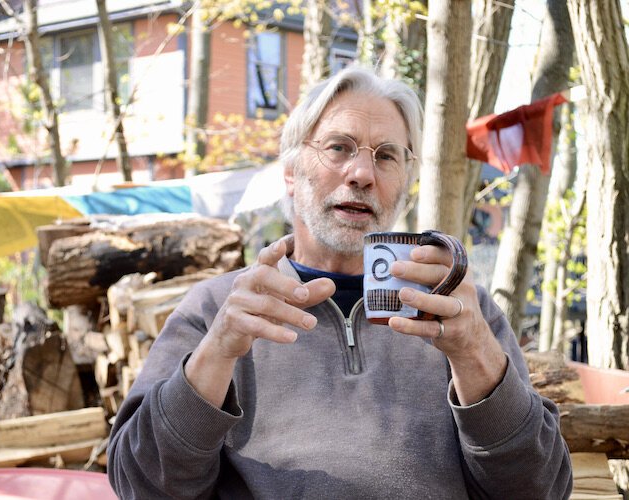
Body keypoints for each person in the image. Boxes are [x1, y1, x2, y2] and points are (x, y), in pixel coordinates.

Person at [107, 66, 573, 499]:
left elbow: (542, 488)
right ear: (290, 173)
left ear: (404, 183)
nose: (362, 174)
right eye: (338, 148)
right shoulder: (220, 309)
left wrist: (476, 356)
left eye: (386, 156)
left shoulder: (457, 311)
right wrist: (219, 351)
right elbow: (140, 483)